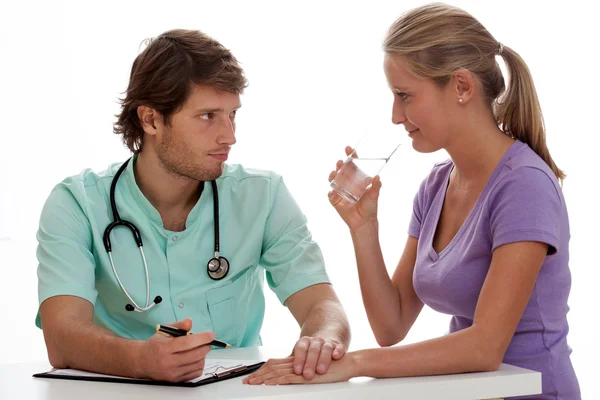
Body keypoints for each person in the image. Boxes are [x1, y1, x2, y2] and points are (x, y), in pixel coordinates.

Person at [243, 3, 580, 398]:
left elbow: (485, 347)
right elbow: (392, 325)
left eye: (404, 95)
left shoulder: (524, 186)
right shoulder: (438, 183)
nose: (394, 115)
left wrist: (354, 364)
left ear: (461, 86)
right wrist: (363, 228)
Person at [35, 29, 350, 383]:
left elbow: (322, 306)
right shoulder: (76, 203)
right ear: (151, 119)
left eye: (232, 114)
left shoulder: (263, 196)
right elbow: (61, 338)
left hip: (235, 390)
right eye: (207, 116)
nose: (230, 136)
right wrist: (141, 360)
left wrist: (324, 338)